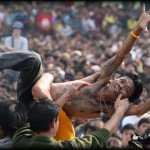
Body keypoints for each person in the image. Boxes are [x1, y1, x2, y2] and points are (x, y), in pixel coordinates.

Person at [1, 4, 150, 141]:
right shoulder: (100, 78)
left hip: (39, 120)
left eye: (126, 90)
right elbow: (119, 57)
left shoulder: (110, 109)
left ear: (125, 98)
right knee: (34, 59)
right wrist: (137, 29)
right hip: (31, 96)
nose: (122, 86)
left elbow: (141, 108)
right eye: (122, 81)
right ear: (115, 78)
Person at [12, 92, 129, 149]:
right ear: (53, 123)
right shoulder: (68, 147)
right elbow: (101, 136)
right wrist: (119, 111)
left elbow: (34, 119)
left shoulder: (20, 139)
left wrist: (67, 95)